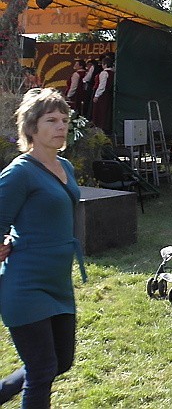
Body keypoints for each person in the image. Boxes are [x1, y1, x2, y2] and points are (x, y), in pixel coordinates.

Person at [0, 88, 87, 407]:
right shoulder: (19, 172)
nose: (61, 125)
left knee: (61, 362)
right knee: (42, 370)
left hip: (58, 283)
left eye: (64, 119)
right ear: (31, 128)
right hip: (25, 283)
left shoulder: (66, 166)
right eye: (51, 120)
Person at [91, 56, 114, 135]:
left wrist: (97, 95)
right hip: (109, 95)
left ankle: (100, 130)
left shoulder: (104, 73)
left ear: (105, 64)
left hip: (103, 96)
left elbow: (102, 85)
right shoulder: (113, 73)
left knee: (100, 112)